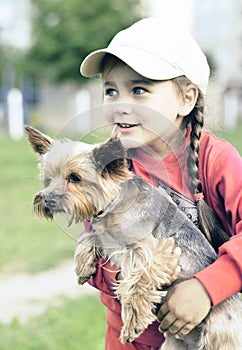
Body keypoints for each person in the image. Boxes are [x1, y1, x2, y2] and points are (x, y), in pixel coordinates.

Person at [79, 18, 242, 349]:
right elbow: (93, 258)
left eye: (139, 90)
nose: (121, 103)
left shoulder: (215, 160)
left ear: (185, 99)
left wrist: (207, 287)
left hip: (210, 334)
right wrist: (138, 273)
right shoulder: (104, 169)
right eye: (111, 90)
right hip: (134, 339)